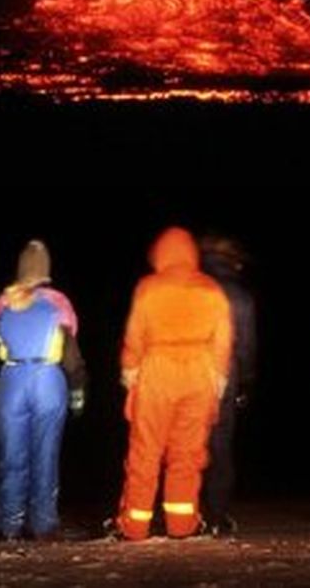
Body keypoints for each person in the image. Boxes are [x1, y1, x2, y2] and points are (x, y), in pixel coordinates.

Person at [115, 226, 232, 541]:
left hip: (157, 373)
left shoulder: (148, 288)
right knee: (187, 453)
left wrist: (129, 369)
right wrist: (219, 377)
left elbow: (134, 335)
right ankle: (182, 525)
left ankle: (134, 526)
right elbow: (223, 340)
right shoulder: (211, 290)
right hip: (198, 374)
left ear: (160, 254)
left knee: (145, 451)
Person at [0, 239, 86, 542]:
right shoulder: (58, 302)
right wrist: (77, 391)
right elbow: (72, 355)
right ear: (45, 269)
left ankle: (8, 525)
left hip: (12, 379)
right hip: (47, 379)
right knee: (45, 453)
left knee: (11, 456)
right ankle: (42, 524)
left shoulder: (2, 302)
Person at [199, 234, 257, 536]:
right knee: (220, 444)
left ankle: (186, 511)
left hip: (188, 369)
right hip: (225, 372)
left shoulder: (192, 284)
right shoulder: (238, 293)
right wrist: (245, 380)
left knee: (189, 443)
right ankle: (217, 516)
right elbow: (245, 343)